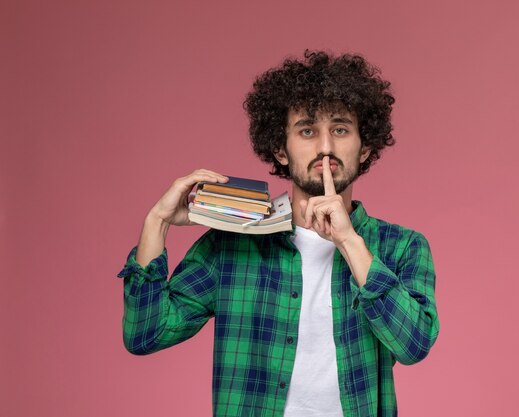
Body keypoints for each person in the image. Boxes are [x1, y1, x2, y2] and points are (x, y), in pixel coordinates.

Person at [117, 50, 439, 417]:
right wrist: (156, 220)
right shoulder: (233, 244)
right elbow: (145, 334)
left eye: (340, 129)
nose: (325, 147)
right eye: (307, 130)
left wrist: (349, 242)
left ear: (364, 148)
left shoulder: (402, 247)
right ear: (280, 150)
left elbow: (413, 345)